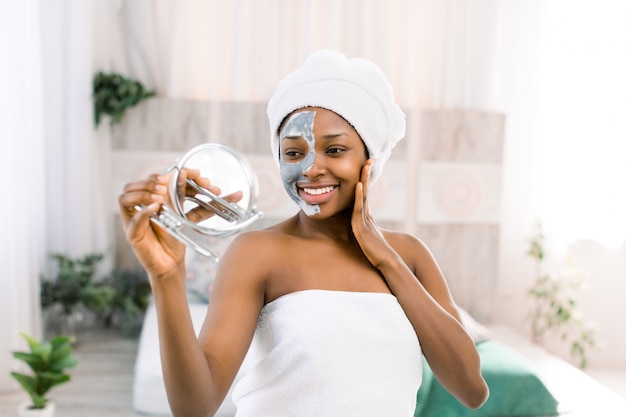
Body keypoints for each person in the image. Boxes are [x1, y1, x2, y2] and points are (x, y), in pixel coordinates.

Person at [119, 49, 489, 417]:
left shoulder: (409, 255)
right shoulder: (257, 252)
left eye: (335, 149)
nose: (312, 168)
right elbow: (194, 407)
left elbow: (471, 389)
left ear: (369, 158)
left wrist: (386, 260)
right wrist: (166, 277)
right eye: (294, 153)